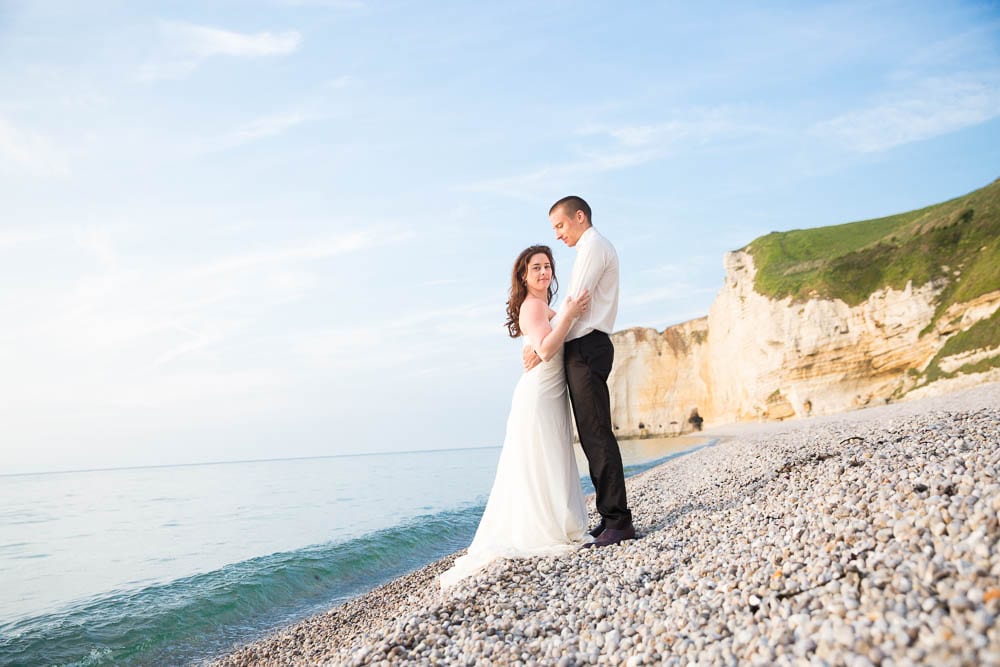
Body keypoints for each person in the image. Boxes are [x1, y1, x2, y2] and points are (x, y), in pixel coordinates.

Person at [439, 245, 592, 588]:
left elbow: (543, 345)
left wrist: (560, 320)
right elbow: (546, 348)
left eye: (548, 266)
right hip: (539, 396)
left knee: (548, 458)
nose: (543, 272)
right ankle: (545, 527)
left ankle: (556, 522)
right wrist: (569, 313)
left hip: (550, 392)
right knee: (540, 459)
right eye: (536, 267)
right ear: (523, 275)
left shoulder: (544, 306)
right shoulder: (533, 305)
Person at [524, 196, 635, 548]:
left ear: (579, 217)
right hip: (582, 346)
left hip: (587, 347)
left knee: (597, 434)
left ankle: (619, 521)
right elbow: (569, 309)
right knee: (590, 436)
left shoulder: (594, 247)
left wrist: (542, 349)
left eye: (560, 225)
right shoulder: (589, 249)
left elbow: (575, 304)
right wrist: (539, 338)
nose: (557, 235)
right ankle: (610, 517)